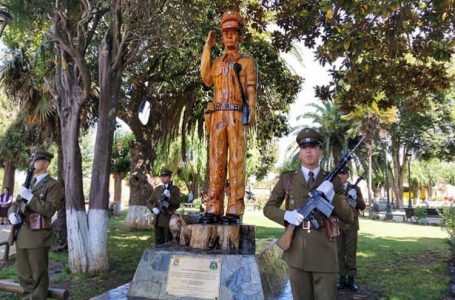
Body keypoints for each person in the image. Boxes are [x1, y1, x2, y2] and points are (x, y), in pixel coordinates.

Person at [263, 128, 354, 299]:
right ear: (300, 151)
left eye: (313, 146)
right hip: (297, 252)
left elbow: (348, 217)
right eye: (304, 147)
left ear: (320, 150)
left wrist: (332, 196)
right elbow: (268, 208)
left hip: (324, 253)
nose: (309, 151)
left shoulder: (333, 180)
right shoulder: (288, 179)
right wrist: (286, 216)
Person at [200, 10, 257, 225]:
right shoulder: (216, 63)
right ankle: (213, 207)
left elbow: (250, 88)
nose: (229, 37)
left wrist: (251, 110)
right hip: (218, 115)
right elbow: (206, 78)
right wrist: (208, 47)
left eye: (234, 33)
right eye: (226, 33)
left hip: (235, 113)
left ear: (240, 36)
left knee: (236, 161)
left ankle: (235, 208)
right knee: (216, 159)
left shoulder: (248, 62)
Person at [8, 149, 64, 299]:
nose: (31, 162)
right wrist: (12, 214)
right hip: (22, 235)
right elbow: (16, 203)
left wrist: (30, 198)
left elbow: (50, 210)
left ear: (46, 163)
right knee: (24, 275)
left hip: (38, 236)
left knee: (38, 275)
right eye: (31, 159)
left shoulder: (53, 185)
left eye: (36, 160)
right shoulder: (29, 182)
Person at [336, 166, 366, 291]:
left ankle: (351, 280)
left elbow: (363, 206)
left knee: (351, 253)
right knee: (339, 253)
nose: (340, 175)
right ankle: (342, 279)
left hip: (351, 225)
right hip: (338, 224)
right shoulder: (334, 189)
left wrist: (355, 198)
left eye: (343, 173)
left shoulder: (355, 189)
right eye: (339, 173)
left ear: (347, 175)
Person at [147, 168, 181, 245]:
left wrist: (170, 197)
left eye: (165, 176)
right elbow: (149, 202)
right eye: (161, 176)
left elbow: (177, 204)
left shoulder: (174, 189)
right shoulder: (157, 189)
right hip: (157, 220)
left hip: (167, 220)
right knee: (158, 242)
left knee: (167, 242)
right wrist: (153, 209)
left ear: (169, 177)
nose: (162, 178)